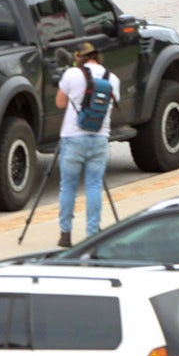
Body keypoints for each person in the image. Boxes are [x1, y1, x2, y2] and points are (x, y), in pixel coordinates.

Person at [53, 41, 119, 248]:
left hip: (73, 137)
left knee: (68, 186)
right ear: (97, 56)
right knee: (94, 185)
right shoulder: (112, 78)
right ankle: (92, 234)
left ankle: (65, 233)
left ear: (79, 57)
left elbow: (60, 103)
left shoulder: (72, 74)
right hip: (99, 137)